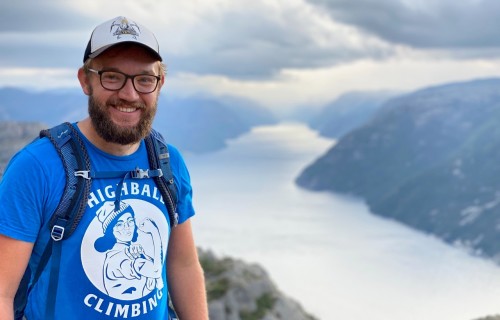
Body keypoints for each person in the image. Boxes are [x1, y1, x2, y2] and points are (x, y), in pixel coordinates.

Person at [0, 16, 208, 320]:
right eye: (112, 76)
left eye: (144, 79)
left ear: (159, 84)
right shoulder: (37, 167)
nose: (129, 94)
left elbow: (183, 265)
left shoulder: (167, 163)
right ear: (86, 80)